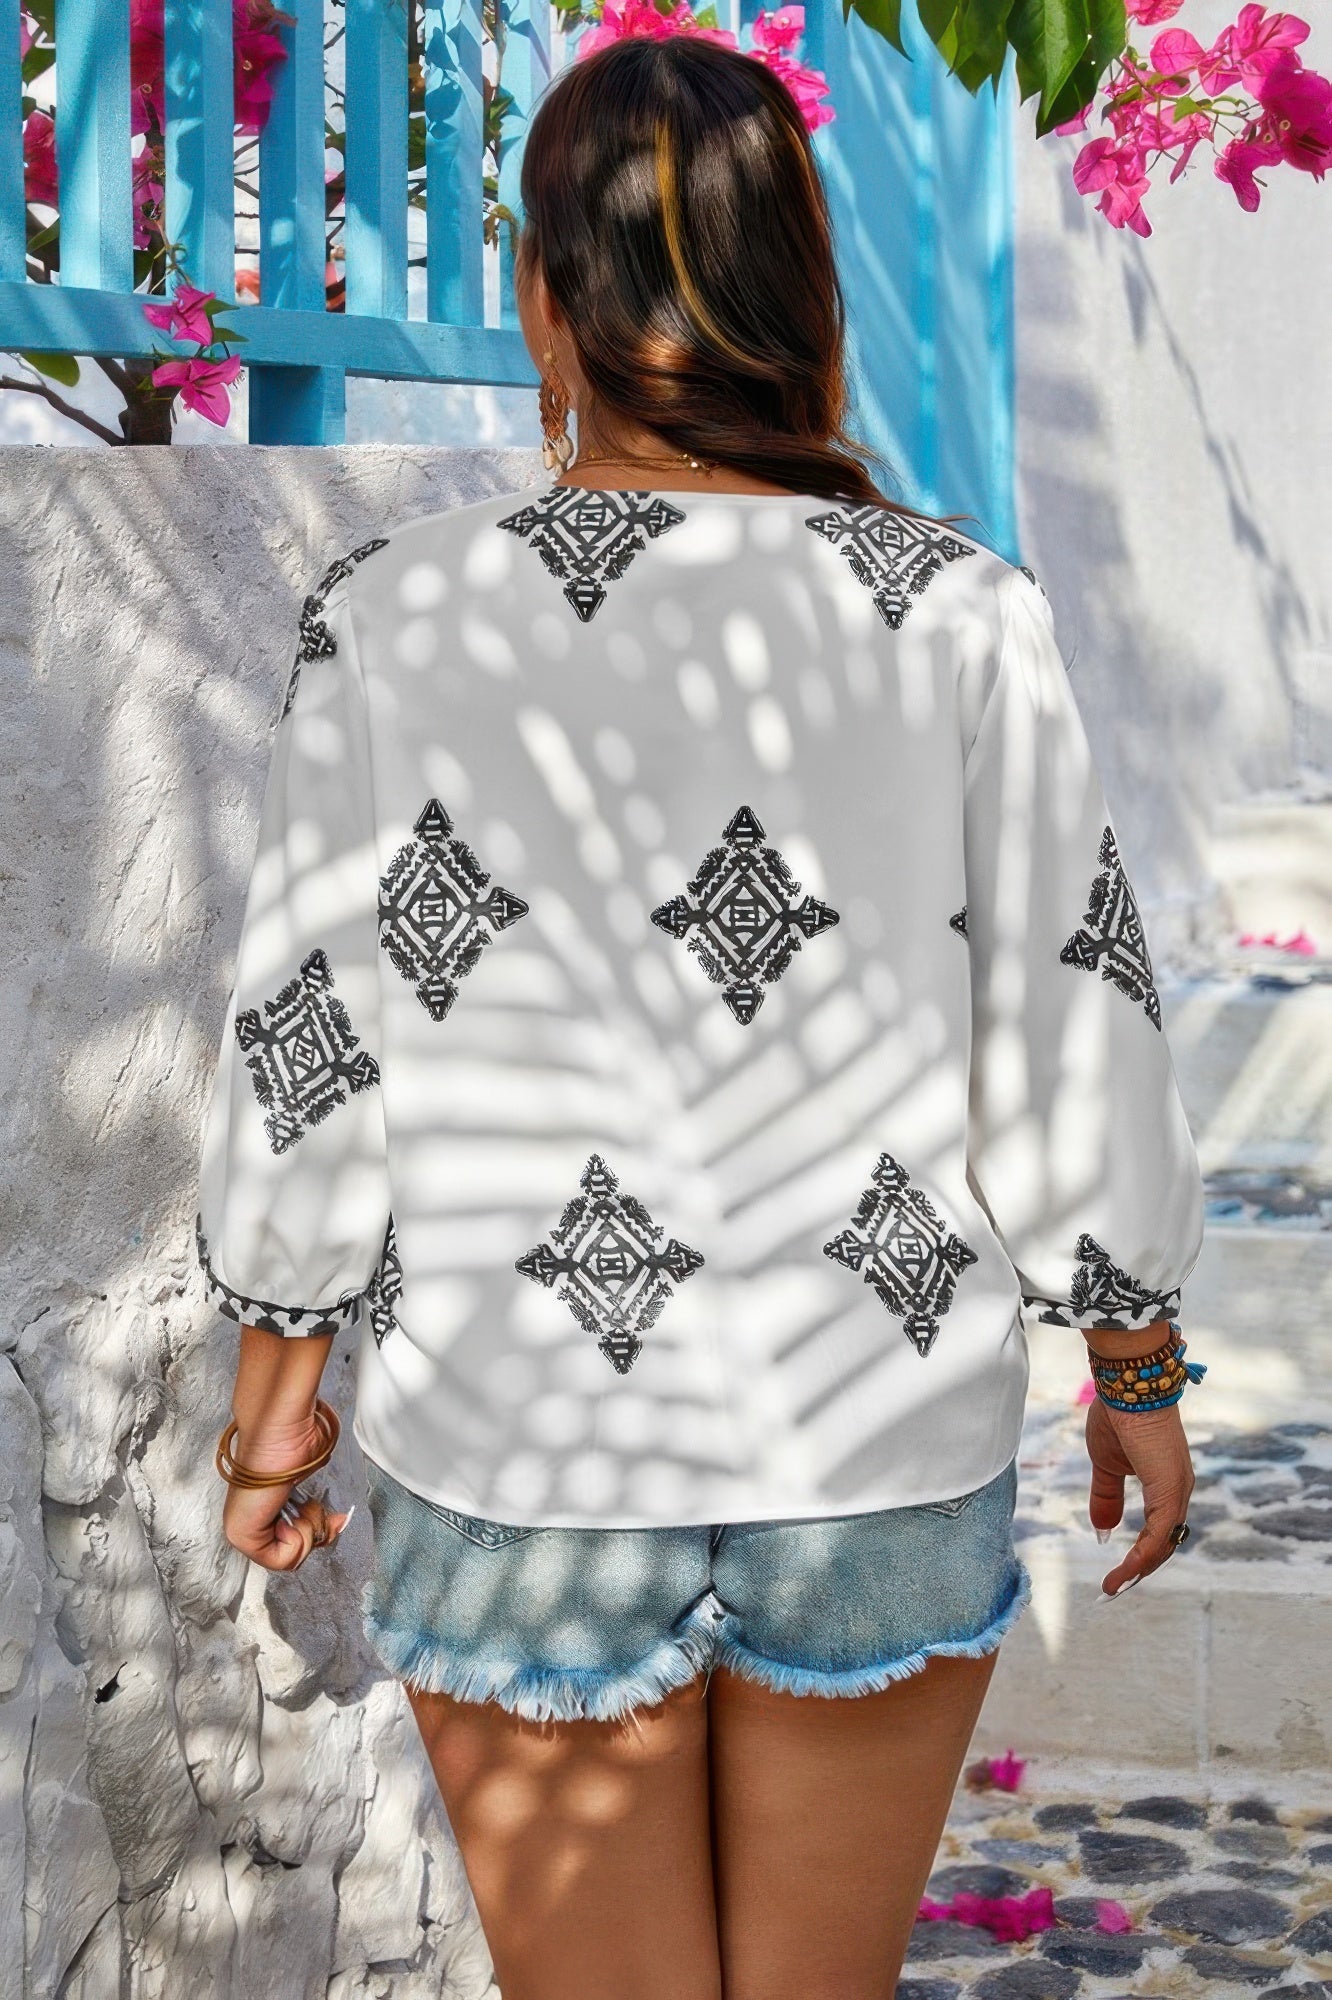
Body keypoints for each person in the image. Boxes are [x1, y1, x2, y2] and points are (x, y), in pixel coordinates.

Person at [197, 34, 1205, 2000]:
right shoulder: (959, 610)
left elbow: (313, 1035)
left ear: (544, 299)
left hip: (523, 1440)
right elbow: (1072, 1014)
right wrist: (1137, 1363)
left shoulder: (392, 614)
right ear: (802, 297)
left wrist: (271, 1405)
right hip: (874, 1426)